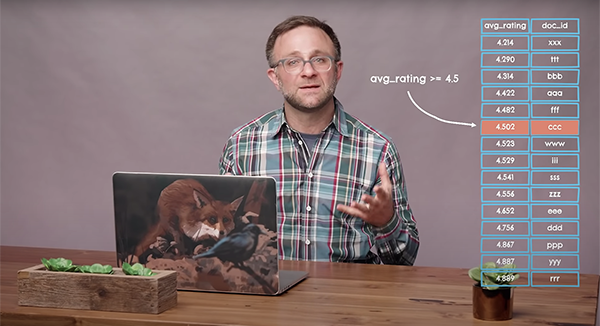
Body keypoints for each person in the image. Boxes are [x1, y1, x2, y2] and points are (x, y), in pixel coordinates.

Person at [219, 15, 419, 265]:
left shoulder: (378, 150)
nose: (308, 72)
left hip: (350, 300)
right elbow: (223, 243)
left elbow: (406, 260)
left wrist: (386, 223)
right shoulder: (241, 146)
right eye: (293, 62)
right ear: (275, 76)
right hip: (267, 300)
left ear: (337, 70)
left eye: (320, 60)